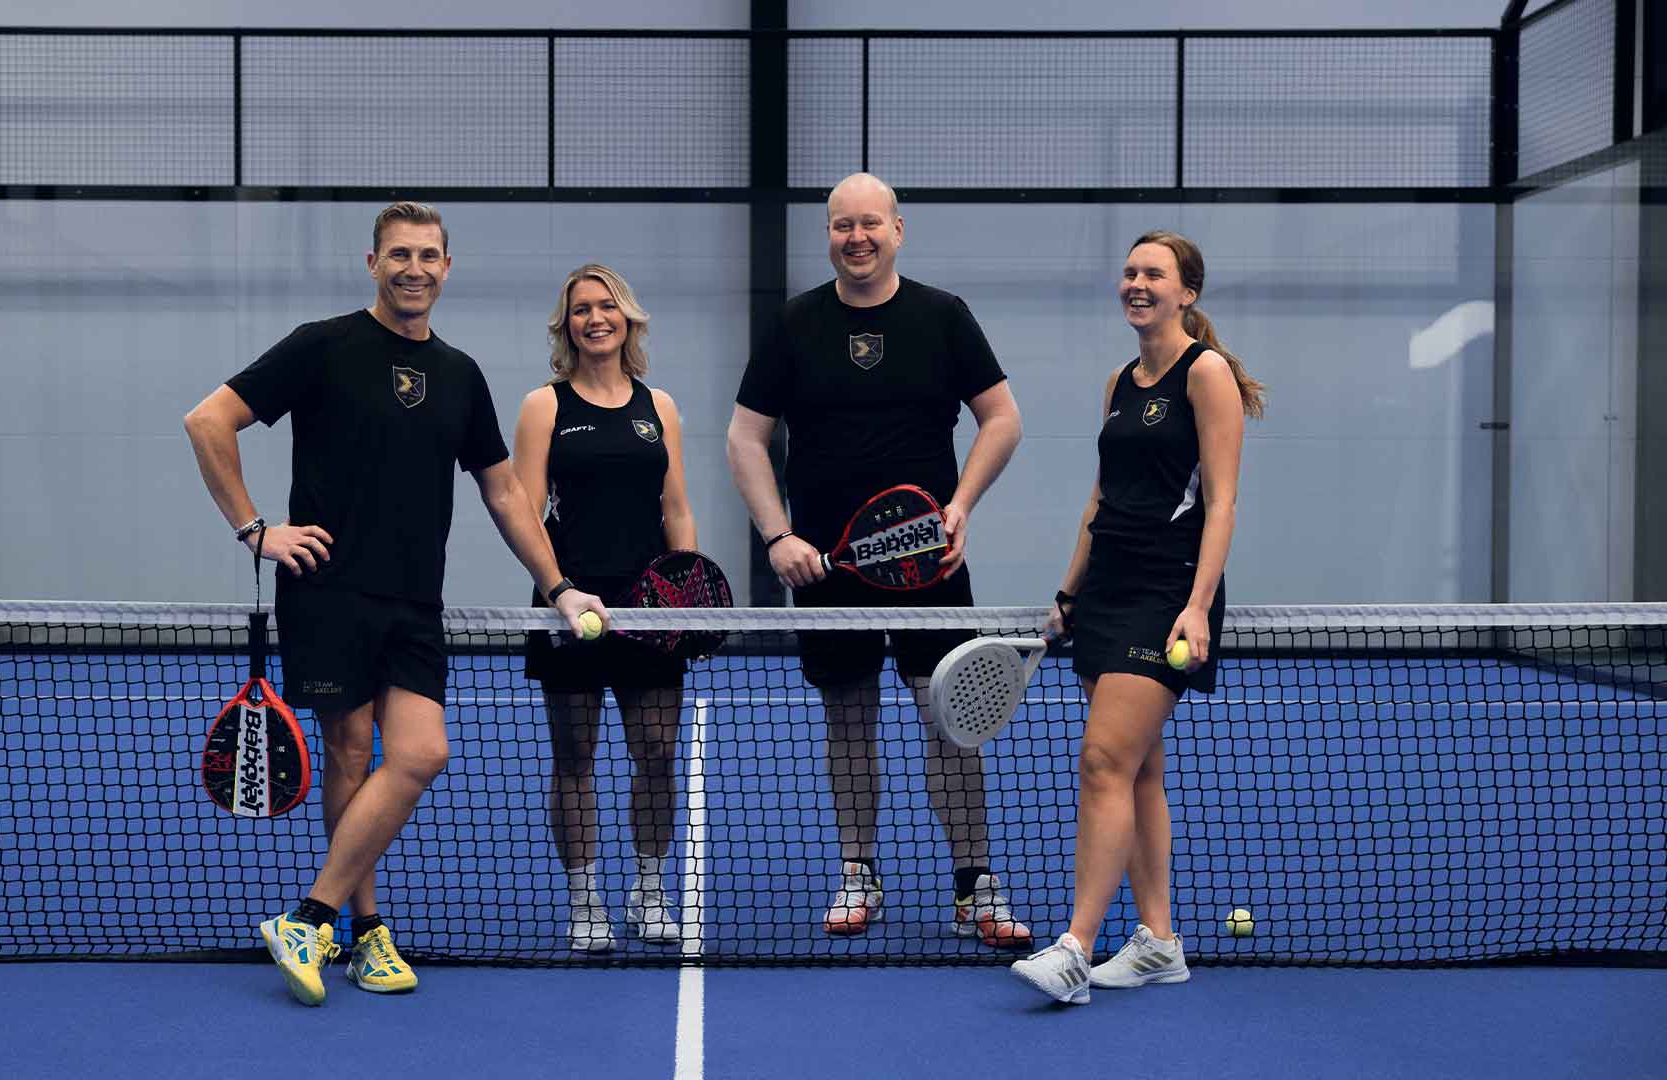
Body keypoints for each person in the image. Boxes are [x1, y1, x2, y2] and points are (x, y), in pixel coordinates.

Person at [183, 202, 607, 1006]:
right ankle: (368, 935)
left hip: (415, 601)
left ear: (448, 268)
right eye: (400, 254)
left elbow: (505, 490)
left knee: (418, 755)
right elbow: (209, 421)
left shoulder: (459, 374)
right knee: (349, 758)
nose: (415, 268)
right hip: (328, 590)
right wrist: (255, 530)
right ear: (372, 263)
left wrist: (559, 585)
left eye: (429, 256)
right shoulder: (323, 345)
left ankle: (311, 916)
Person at [726, 173, 1032, 949]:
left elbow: (1002, 419)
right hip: (826, 570)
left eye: (869, 224)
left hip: (928, 562)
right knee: (848, 717)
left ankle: (975, 884)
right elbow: (744, 436)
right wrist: (777, 537)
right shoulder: (795, 324)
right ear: (828, 235)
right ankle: (857, 871)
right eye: (840, 226)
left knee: (953, 719)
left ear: (899, 229)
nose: (854, 238)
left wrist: (960, 505)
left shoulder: (943, 317)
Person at [1010, 230, 1265, 1004]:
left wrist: (1196, 605)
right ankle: (1158, 940)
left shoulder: (1206, 372)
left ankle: (1074, 948)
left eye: (1153, 273)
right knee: (1139, 766)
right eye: (1128, 272)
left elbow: (1220, 499)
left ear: (1187, 291)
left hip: (1169, 588)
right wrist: (1068, 590)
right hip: (1109, 587)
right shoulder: (1121, 377)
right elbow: (1100, 495)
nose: (1137, 283)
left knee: (1102, 763)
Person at [513, 264, 697, 954]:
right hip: (570, 610)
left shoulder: (661, 408)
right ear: (568, 326)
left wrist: (689, 597)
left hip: (650, 611)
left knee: (656, 752)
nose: (595, 318)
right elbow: (525, 510)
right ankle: (584, 898)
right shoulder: (544, 406)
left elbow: (676, 508)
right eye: (582, 309)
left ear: (628, 317)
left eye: (607, 305)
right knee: (575, 756)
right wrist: (558, 587)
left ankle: (649, 891)